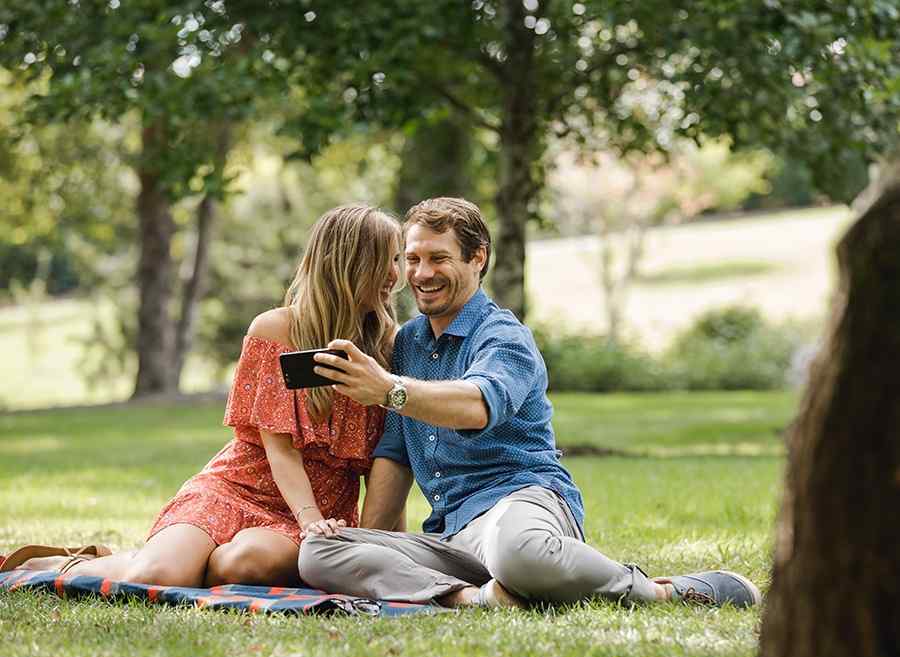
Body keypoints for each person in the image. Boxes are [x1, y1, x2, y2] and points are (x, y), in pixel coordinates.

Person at [299, 197, 761, 608]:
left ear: (477, 258)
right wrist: (370, 542)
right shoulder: (409, 345)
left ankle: (664, 591)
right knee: (318, 553)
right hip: (450, 538)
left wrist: (389, 390)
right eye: (412, 259)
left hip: (520, 505)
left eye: (439, 258)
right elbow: (395, 457)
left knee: (518, 553)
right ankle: (472, 598)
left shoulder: (504, 337)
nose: (421, 274)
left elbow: (476, 405)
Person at [1, 205, 403, 587]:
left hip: (316, 516)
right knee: (157, 576)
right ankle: (75, 563)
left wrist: (381, 544)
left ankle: (182, 560)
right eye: (384, 260)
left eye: (398, 259)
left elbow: (391, 461)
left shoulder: (391, 350)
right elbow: (280, 451)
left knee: (244, 564)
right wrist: (309, 517)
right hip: (239, 488)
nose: (395, 273)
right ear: (345, 263)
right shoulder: (275, 330)